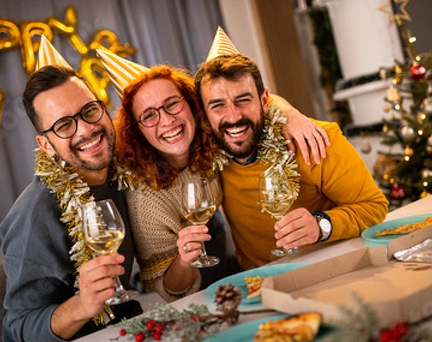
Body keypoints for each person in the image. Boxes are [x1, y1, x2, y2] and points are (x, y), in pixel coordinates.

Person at [106, 59, 329, 302]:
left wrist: (290, 114)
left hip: (237, 270)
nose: (167, 120)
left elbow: (247, 99)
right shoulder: (146, 202)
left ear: (192, 105)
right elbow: (168, 291)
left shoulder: (208, 137)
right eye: (149, 115)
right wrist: (184, 260)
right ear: (137, 130)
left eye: (172, 104)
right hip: (198, 297)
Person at [194, 53, 389, 270]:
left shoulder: (315, 139)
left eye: (243, 100)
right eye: (218, 105)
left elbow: (374, 207)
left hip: (333, 270)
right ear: (204, 114)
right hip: (258, 283)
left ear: (264, 101)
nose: (233, 116)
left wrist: (321, 225)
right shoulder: (206, 155)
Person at [0, 66, 141, 342]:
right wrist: (82, 306)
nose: (87, 129)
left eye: (89, 111)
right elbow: (16, 331)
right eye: (64, 125)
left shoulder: (125, 172)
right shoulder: (35, 214)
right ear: (46, 145)